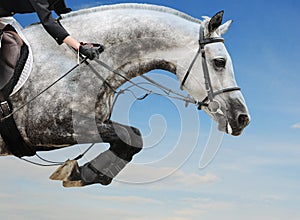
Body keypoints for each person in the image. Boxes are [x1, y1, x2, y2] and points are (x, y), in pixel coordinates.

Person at [0, 0, 104, 61]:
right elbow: (48, 22)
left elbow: (63, 13)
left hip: (6, 17)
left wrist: (80, 38)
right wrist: (79, 47)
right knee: (12, 45)